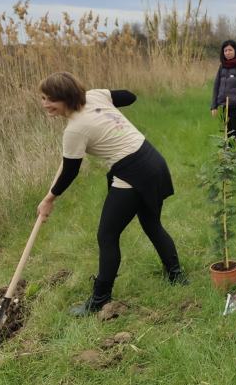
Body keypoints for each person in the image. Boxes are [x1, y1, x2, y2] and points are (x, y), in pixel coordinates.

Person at [36, 72, 187, 316]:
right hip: (153, 161)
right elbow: (129, 96)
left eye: (50, 99)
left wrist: (49, 198)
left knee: (107, 235)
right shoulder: (94, 96)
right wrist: (108, 109)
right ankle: (176, 276)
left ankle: (99, 299)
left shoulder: (75, 129)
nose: (45, 104)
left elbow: (70, 172)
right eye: (42, 98)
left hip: (134, 172)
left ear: (65, 97)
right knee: (151, 223)